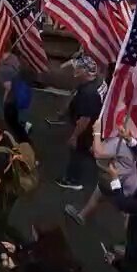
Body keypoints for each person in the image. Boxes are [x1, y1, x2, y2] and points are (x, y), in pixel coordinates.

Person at [0, 116, 35, 263]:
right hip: (12, 189)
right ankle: (24, 242)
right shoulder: (7, 137)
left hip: (0, 196)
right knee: (2, 221)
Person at [66, 118, 137, 226]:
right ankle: (82, 215)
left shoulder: (120, 143)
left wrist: (97, 132)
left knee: (128, 213)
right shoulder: (136, 139)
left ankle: (129, 240)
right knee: (99, 194)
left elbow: (97, 152)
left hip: (122, 183)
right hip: (126, 179)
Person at [56, 56, 102, 191]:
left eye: (78, 68)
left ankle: (72, 180)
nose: (75, 69)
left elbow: (85, 119)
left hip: (86, 127)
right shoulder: (97, 81)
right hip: (95, 123)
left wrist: (74, 136)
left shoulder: (89, 93)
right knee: (87, 148)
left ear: (86, 72)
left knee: (77, 149)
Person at [0, 54, 33, 143]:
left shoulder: (5, 69)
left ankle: (23, 143)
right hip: (15, 100)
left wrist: (3, 103)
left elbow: (8, 87)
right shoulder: (15, 61)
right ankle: (25, 139)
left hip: (9, 103)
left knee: (11, 126)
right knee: (14, 124)